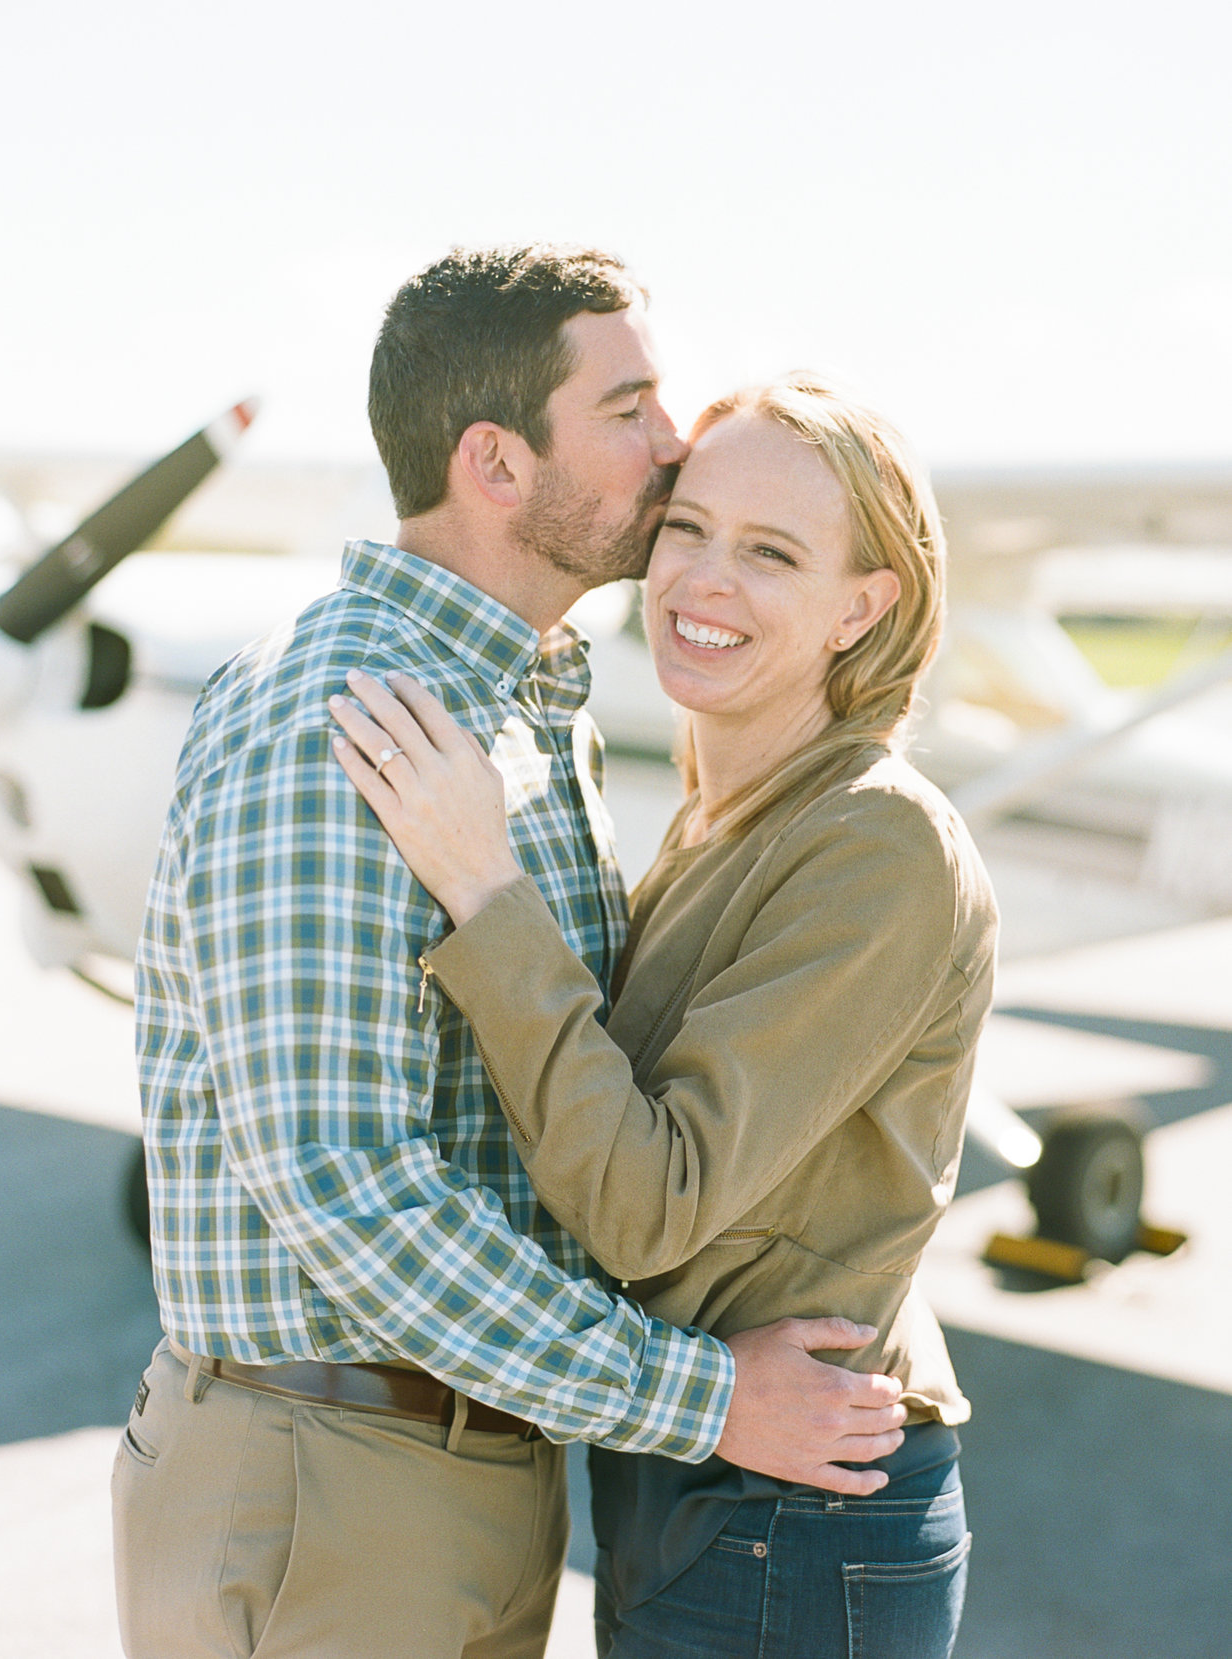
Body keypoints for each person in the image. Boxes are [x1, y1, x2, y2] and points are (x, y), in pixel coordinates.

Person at [116, 247, 912, 1659]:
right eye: (630, 408)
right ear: (496, 459)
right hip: (331, 1476)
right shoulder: (347, 718)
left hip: (474, 1465)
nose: (675, 445)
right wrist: (710, 1399)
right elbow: (341, 1181)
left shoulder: (534, 715)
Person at [329, 375, 991, 1657]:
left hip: (795, 1519)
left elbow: (646, 1204)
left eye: (770, 553)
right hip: (712, 1488)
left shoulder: (877, 841)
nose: (701, 579)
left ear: (865, 605)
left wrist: (483, 883)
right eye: (686, 527)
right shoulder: (727, 815)